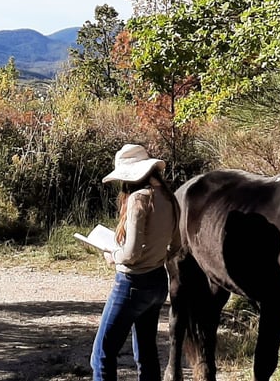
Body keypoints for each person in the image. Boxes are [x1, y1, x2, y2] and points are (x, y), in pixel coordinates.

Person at [91, 143, 181, 381]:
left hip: (131, 284)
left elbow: (130, 254)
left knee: (101, 354)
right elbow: (176, 245)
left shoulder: (138, 199)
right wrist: (156, 254)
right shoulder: (169, 198)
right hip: (158, 281)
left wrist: (113, 255)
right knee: (147, 353)